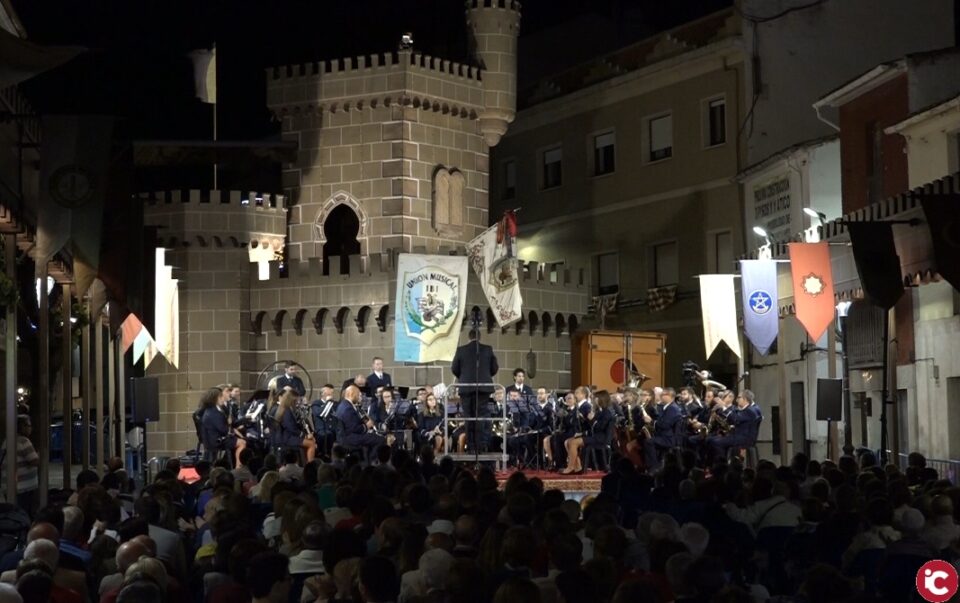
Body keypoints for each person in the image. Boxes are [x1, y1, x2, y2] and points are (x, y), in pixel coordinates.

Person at [451, 329, 499, 453]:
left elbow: (454, 368)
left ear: (469, 337)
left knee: (469, 417)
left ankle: (471, 447)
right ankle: (480, 446)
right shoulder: (488, 349)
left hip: (466, 388)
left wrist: (463, 377)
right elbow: (494, 368)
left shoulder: (461, 350)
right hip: (483, 388)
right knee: (480, 416)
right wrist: (485, 375)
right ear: (480, 337)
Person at [562, 390, 616, 475]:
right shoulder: (599, 411)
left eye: (595, 398)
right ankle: (578, 466)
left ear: (601, 399)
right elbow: (593, 428)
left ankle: (570, 467)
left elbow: (600, 428)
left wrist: (592, 419)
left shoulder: (607, 412)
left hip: (602, 438)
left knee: (573, 442)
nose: (594, 400)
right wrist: (583, 432)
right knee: (569, 441)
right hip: (595, 436)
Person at [707, 390, 762, 460]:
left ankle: (722, 463)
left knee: (715, 442)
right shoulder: (754, 408)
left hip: (743, 439)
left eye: (739, 398)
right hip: (743, 436)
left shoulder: (750, 410)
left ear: (745, 399)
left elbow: (735, 418)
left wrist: (724, 407)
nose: (736, 400)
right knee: (712, 439)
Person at [3, 415, 40, 517]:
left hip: (9, 487)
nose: (31, 428)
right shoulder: (23, 441)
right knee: (24, 515)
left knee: (14, 515)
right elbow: (34, 461)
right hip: (23, 487)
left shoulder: (6, 441)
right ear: (22, 427)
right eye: (29, 425)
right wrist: (39, 454)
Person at [200, 387, 246, 467]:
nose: (223, 399)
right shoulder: (213, 413)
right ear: (215, 399)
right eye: (221, 397)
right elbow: (223, 429)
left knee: (238, 439)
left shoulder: (212, 410)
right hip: (216, 441)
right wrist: (233, 430)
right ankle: (238, 468)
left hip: (216, 438)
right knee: (242, 443)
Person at [335, 385, 386, 456]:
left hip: (346, 436)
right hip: (350, 438)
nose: (360, 398)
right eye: (358, 395)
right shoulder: (348, 408)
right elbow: (353, 429)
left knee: (372, 436)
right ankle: (372, 460)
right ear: (352, 394)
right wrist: (366, 426)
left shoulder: (343, 405)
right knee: (380, 439)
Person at [274, 388, 317, 463]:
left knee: (310, 441)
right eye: (295, 400)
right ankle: (310, 465)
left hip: (289, 436)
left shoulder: (285, 409)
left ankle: (305, 462)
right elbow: (291, 428)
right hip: (288, 438)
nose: (297, 402)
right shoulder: (286, 411)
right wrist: (305, 436)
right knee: (311, 444)